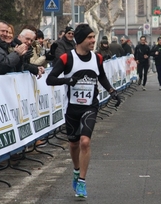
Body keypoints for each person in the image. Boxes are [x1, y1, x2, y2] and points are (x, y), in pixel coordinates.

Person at [46, 23, 121, 199]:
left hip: (90, 106)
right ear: (80, 39)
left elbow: (100, 76)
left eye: (94, 37)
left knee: (85, 142)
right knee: (73, 143)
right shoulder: (67, 58)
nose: (93, 40)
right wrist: (68, 80)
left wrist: (112, 92)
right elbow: (50, 79)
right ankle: (76, 169)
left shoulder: (97, 58)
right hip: (72, 107)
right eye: (90, 37)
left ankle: (82, 181)